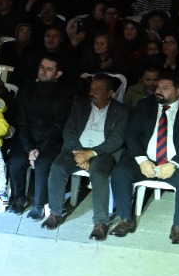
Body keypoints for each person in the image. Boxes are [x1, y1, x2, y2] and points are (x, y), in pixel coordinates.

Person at [109, 70, 179, 244]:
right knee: (120, 172)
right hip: (146, 159)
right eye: (158, 86)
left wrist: (174, 164)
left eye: (165, 87)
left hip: (178, 162)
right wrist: (141, 159)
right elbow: (131, 134)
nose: (158, 90)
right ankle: (125, 219)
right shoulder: (145, 105)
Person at [42, 74, 130, 238]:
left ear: (110, 93)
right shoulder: (80, 105)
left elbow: (117, 140)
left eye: (98, 89)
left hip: (103, 153)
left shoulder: (121, 111)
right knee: (57, 167)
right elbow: (69, 130)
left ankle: (100, 222)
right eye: (91, 88)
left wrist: (91, 153)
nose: (92, 92)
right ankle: (55, 213)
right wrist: (78, 153)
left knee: (98, 173)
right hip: (76, 150)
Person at [6, 54, 74, 217]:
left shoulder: (64, 94)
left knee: (43, 163)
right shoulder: (26, 89)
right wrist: (30, 148)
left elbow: (58, 125)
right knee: (16, 161)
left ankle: (39, 204)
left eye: (49, 69)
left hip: (51, 142)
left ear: (57, 74)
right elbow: (21, 121)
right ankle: (19, 198)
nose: (43, 72)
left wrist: (40, 149)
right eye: (42, 67)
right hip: (27, 139)